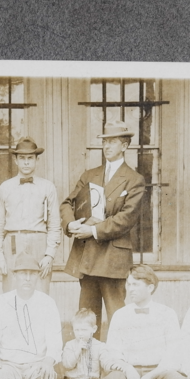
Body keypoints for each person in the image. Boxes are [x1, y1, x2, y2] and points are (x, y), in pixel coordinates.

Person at [60, 121, 146, 337]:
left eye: (113, 142)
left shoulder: (134, 180)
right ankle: (88, 367)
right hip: (87, 257)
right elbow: (67, 204)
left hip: (113, 259)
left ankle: (119, 365)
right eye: (105, 141)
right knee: (87, 318)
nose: (107, 146)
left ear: (124, 146)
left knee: (118, 318)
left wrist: (94, 231)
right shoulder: (89, 175)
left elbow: (126, 218)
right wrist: (70, 224)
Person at [0, 137, 61, 294]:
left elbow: (55, 224)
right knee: (11, 291)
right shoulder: (5, 187)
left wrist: (49, 254)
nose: (26, 162)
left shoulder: (47, 187)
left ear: (37, 160)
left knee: (40, 291)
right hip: (13, 244)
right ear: (16, 160)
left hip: (39, 244)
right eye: (22, 158)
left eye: (30, 158)